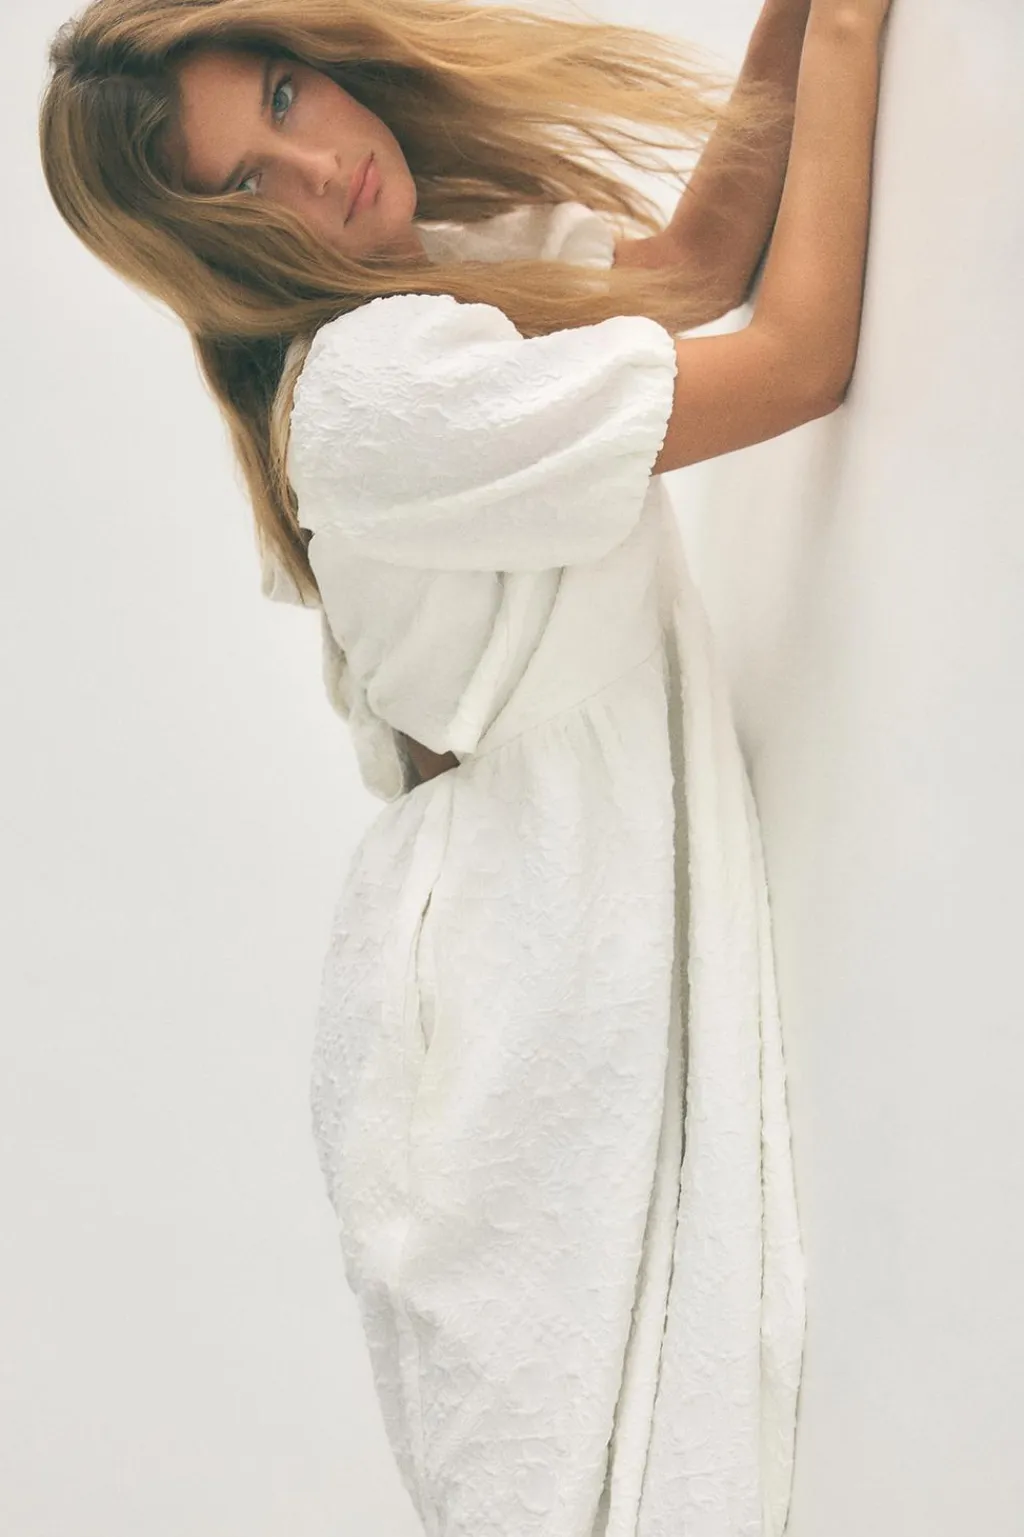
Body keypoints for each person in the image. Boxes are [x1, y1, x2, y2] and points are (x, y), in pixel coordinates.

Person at [40, 0, 892, 1530]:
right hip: (520, 976)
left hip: (560, 909)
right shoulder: (372, 393)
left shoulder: (437, 271)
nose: (319, 167)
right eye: (246, 185)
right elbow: (798, 357)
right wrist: (847, 32)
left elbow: (697, 267)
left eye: (285, 98)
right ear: (209, 249)